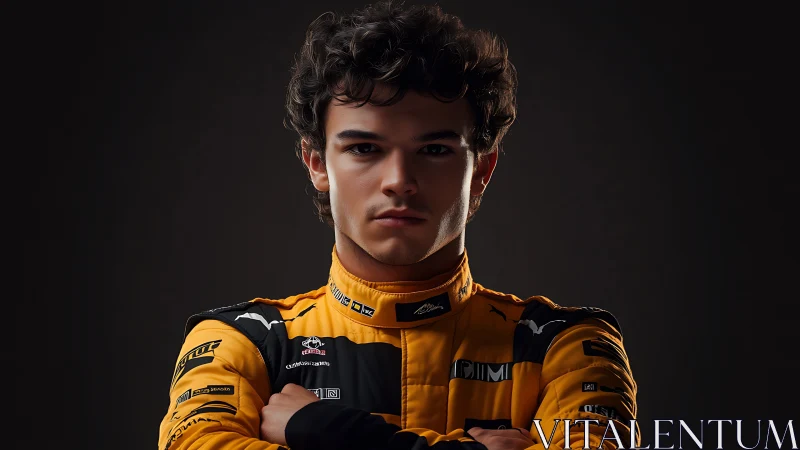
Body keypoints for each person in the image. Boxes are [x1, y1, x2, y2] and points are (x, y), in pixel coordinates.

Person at [158, 1, 640, 449]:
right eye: (364, 149)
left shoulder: (567, 347)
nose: (399, 181)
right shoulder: (242, 344)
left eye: (433, 150)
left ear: (483, 171)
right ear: (317, 163)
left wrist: (327, 431)